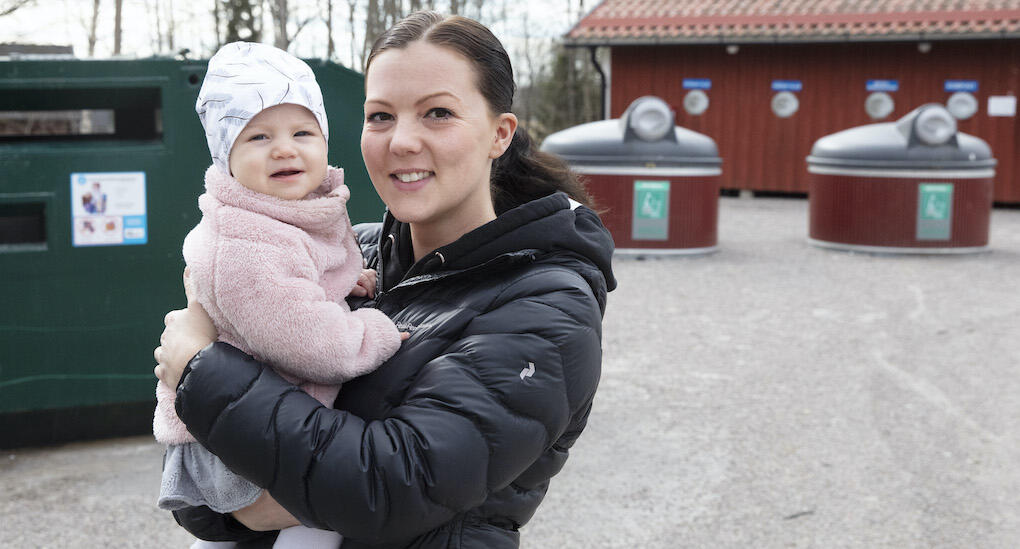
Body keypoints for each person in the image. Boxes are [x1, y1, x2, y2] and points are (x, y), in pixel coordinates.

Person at [154, 11, 616, 548]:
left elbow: (392, 489)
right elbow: (200, 492)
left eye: (437, 113)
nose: (401, 141)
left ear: (499, 134)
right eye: (380, 116)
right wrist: (232, 510)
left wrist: (199, 370)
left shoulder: (545, 305)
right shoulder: (355, 254)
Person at [152, 41, 403, 549]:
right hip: (229, 444)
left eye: (302, 132)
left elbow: (308, 266)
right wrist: (380, 330)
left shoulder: (289, 212)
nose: (285, 149)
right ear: (227, 157)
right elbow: (312, 341)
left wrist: (341, 278)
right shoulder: (244, 244)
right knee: (316, 519)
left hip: (256, 422)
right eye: (259, 136)